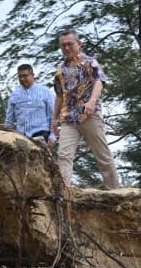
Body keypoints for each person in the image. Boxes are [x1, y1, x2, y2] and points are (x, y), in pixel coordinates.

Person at [49, 30, 119, 189]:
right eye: (63, 45)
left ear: (78, 44)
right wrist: (54, 119)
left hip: (89, 114)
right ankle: (63, 192)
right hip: (68, 118)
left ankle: (115, 190)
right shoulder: (60, 70)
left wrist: (92, 102)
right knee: (64, 155)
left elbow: (99, 81)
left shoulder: (90, 62)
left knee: (103, 155)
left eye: (70, 44)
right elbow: (59, 95)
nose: (66, 48)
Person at [5, 64, 56, 141]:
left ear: (32, 75)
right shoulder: (14, 96)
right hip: (21, 136)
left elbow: (53, 115)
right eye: (20, 77)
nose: (22, 79)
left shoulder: (46, 92)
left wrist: (53, 136)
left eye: (25, 76)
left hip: (41, 134)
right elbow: (9, 121)